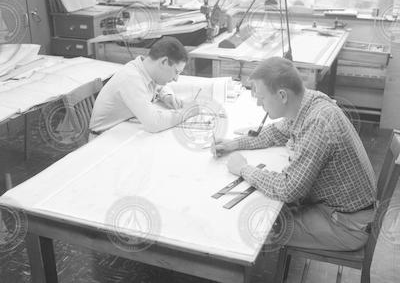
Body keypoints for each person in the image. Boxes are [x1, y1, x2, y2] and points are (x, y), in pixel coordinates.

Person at [213, 57, 376, 251]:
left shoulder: (318, 122)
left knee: (255, 229)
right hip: (340, 211)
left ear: (282, 95)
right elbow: (276, 133)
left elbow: (288, 189)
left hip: (345, 225)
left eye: (262, 98)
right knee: (266, 212)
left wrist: (243, 169)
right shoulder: (308, 102)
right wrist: (234, 144)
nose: (258, 103)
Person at [89, 36, 194, 136]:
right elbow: (154, 123)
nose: (176, 79)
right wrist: (187, 112)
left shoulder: (145, 69)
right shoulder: (131, 78)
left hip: (121, 130)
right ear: (164, 62)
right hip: (103, 141)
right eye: (176, 72)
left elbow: (158, 86)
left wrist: (167, 96)